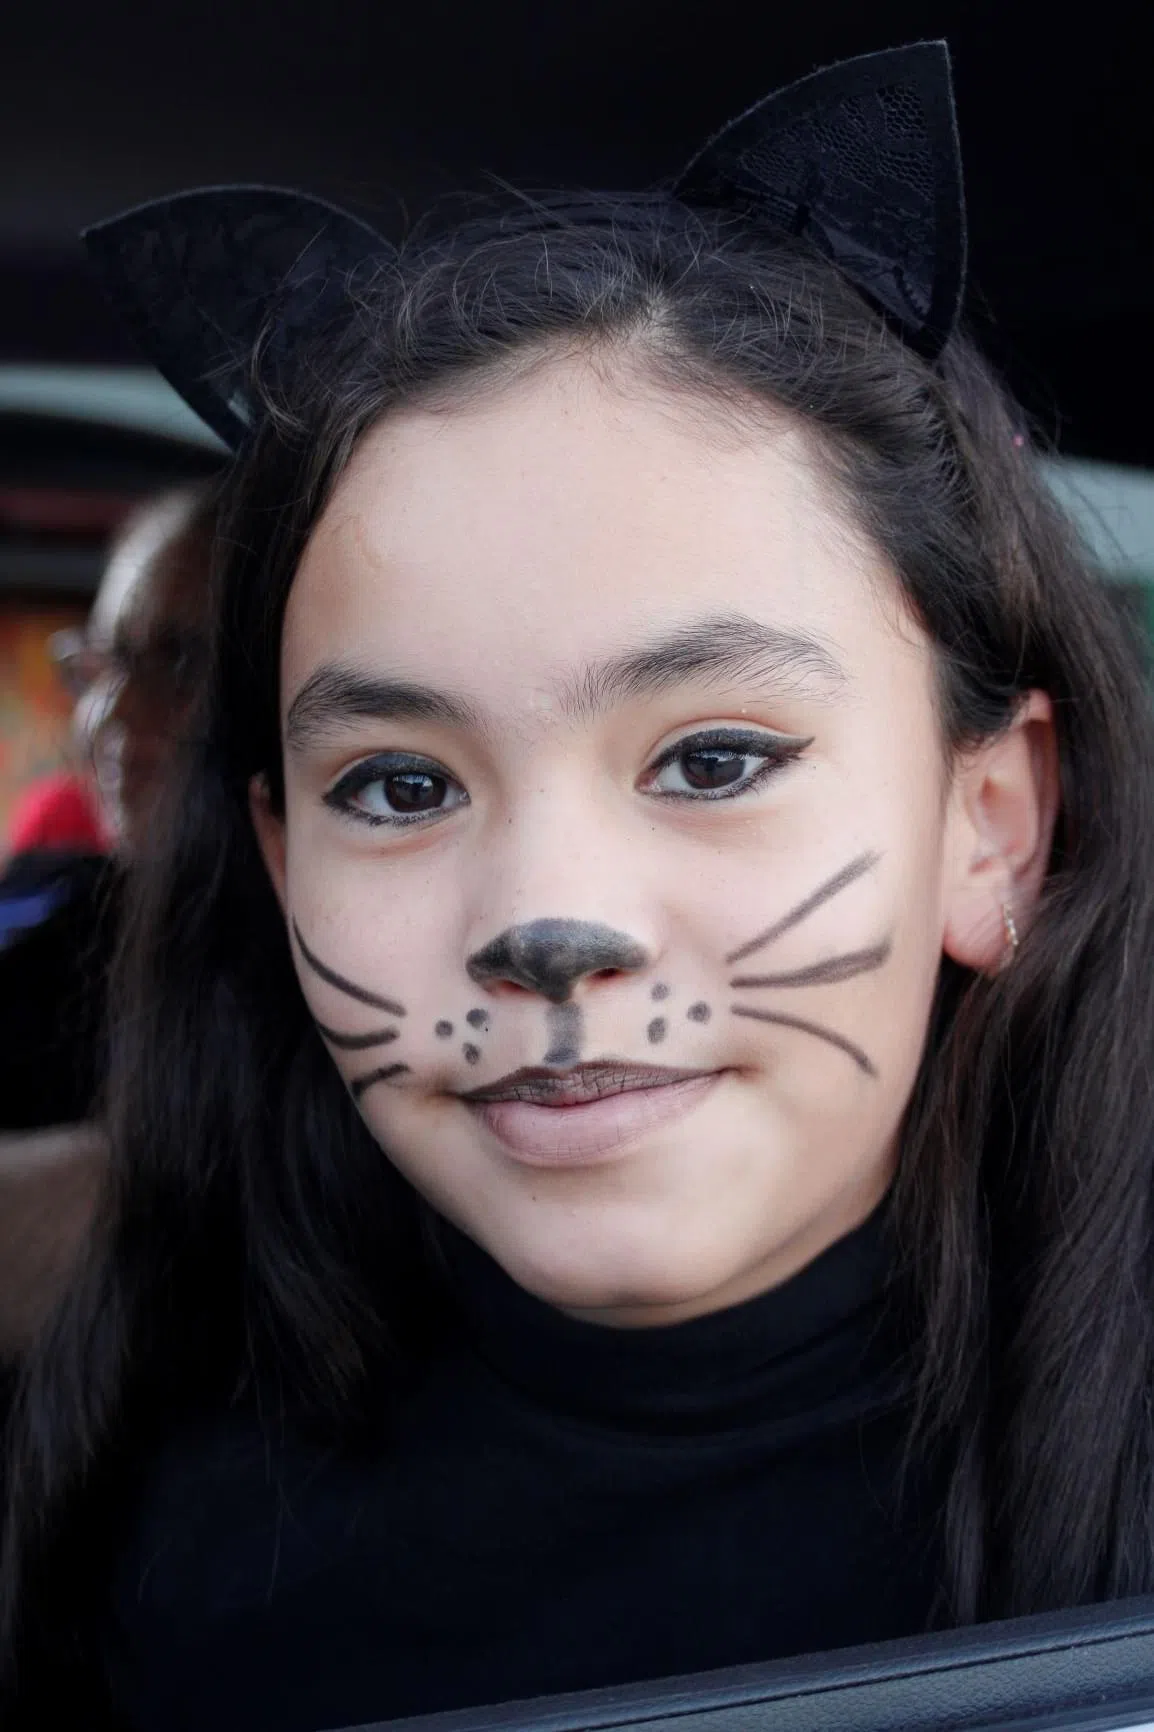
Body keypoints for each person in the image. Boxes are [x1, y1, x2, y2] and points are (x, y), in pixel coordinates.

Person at [5, 42, 1154, 1732]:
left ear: (986, 828)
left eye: (714, 759)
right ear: (280, 862)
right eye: (398, 786)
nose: (545, 928)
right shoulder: (128, 1523)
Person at [0, 488, 215, 1361]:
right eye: (105, 664)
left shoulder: (356, 981)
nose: (115, 718)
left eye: (182, 664)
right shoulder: (55, 911)